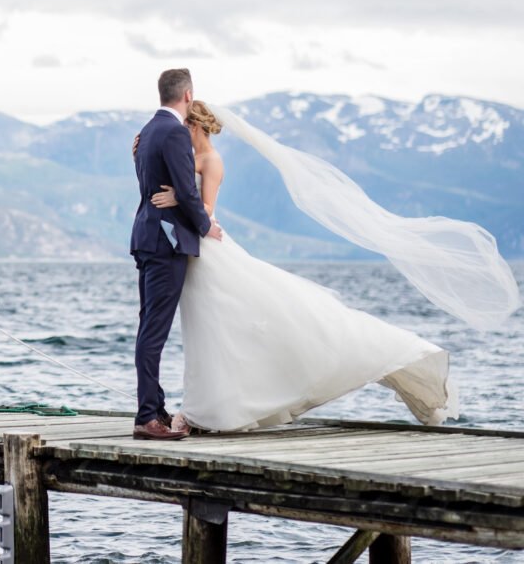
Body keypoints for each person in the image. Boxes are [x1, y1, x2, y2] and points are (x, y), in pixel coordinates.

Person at [142, 100, 517, 432]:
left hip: (210, 252)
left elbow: (206, 211)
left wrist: (179, 197)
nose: (179, 135)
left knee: (243, 324)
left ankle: (202, 410)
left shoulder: (212, 161)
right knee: (213, 332)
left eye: (184, 129)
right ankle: (213, 405)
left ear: (195, 126)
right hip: (195, 253)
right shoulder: (185, 156)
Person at [129, 69, 223, 440]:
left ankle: (155, 408)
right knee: (154, 332)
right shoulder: (174, 133)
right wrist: (206, 227)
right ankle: (147, 417)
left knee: (148, 328)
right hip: (166, 242)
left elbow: (158, 182)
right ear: (188, 95)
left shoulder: (147, 132)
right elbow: (185, 190)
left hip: (147, 236)